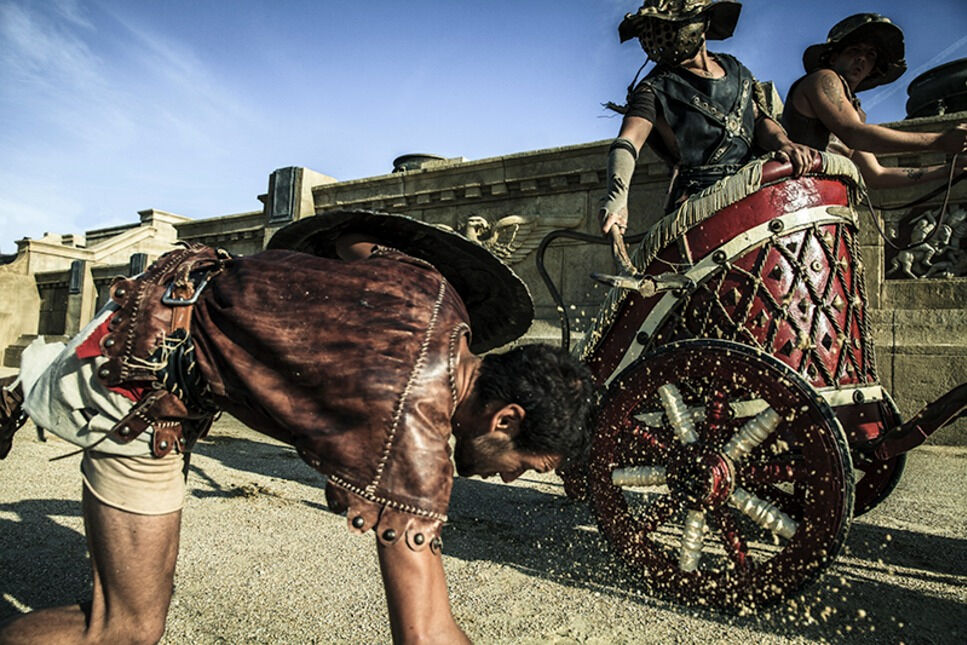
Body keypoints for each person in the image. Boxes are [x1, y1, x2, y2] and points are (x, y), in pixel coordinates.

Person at [0, 210, 595, 644]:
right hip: (136, 378)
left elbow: (351, 239)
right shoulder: (413, 441)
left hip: (171, 293)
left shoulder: (438, 292)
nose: (513, 479)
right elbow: (427, 634)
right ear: (505, 419)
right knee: (124, 629)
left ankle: (23, 389)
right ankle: (34, 388)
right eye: (525, 464)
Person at [599, 0, 816, 236]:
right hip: (696, 205)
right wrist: (617, 200)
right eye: (655, 26)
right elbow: (628, 141)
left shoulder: (736, 69)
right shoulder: (652, 87)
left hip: (756, 192)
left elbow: (758, 118)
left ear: (703, 22)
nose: (661, 35)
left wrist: (785, 145)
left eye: (672, 24)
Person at [782, 13, 967, 188]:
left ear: (873, 68)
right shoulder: (824, 78)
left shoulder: (854, 111)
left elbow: (877, 175)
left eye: (870, 55)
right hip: (796, 193)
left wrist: (948, 171)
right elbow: (854, 133)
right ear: (833, 57)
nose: (862, 58)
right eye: (854, 51)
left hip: (826, 200)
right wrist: (939, 141)